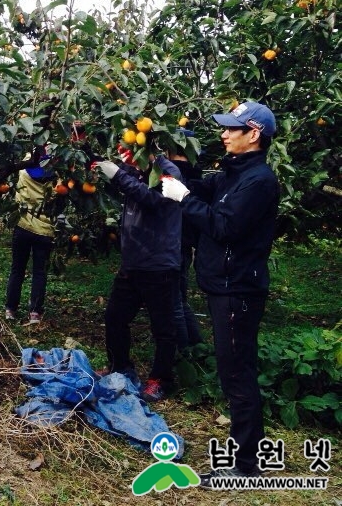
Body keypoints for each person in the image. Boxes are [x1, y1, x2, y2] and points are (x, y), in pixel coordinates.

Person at [161, 101, 279, 484]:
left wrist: (184, 198)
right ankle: (247, 457)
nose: (224, 134)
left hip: (238, 290)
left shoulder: (259, 181)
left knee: (236, 373)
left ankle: (246, 465)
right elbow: (198, 185)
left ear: (254, 134)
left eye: (232, 129)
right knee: (234, 370)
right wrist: (158, 163)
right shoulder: (232, 172)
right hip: (223, 285)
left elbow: (224, 226)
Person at [94, 149, 183, 403]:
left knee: (163, 327)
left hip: (159, 265)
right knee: (115, 317)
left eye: (129, 148)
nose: (125, 153)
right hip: (132, 264)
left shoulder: (170, 173)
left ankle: (160, 379)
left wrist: (118, 175)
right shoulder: (137, 172)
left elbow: (152, 200)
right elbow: (128, 184)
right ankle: (120, 366)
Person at [3, 151, 58, 325]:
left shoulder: (24, 166)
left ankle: (10, 309)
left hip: (23, 226)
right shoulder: (55, 174)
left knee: (17, 269)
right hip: (44, 230)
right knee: (39, 273)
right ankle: (35, 313)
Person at [166, 128, 203, 353]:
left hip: (171, 243)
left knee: (174, 302)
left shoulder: (169, 174)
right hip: (186, 242)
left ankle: (183, 353)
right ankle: (197, 345)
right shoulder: (196, 174)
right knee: (180, 298)